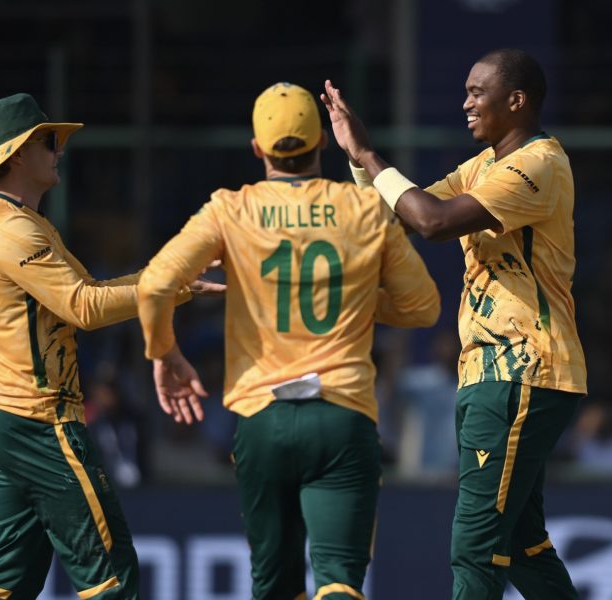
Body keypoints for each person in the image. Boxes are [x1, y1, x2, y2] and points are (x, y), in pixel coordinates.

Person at [136, 82, 441, 599]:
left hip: (262, 417)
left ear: (257, 149)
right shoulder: (364, 209)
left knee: (274, 587)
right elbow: (423, 307)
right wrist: (356, 300)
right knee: (339, 583)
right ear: (322, 141)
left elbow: (155, 284)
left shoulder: (229, 209)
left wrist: (164, 352)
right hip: (341, 413)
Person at [321, 48, 587, 599]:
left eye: (476, 92)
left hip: (522, 368)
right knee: (519, 543)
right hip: (491, 372)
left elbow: (435, 222)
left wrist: (371, 154)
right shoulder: (484, 166)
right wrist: (354, 157)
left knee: (475, 546)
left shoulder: (537, 164)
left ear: (516, 101)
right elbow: (398, 217)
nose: (465, 102)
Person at [0, 93, 220, 599]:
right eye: (49, 141)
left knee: (3, 580)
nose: (60, 150)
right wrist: (169, 287)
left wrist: (172, 277)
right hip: (38, 422)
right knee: (112, 577)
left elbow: (89, 294)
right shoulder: (12, 228)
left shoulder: (5, 219)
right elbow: (84, 307)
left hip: (1, 415)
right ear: (16, 154)